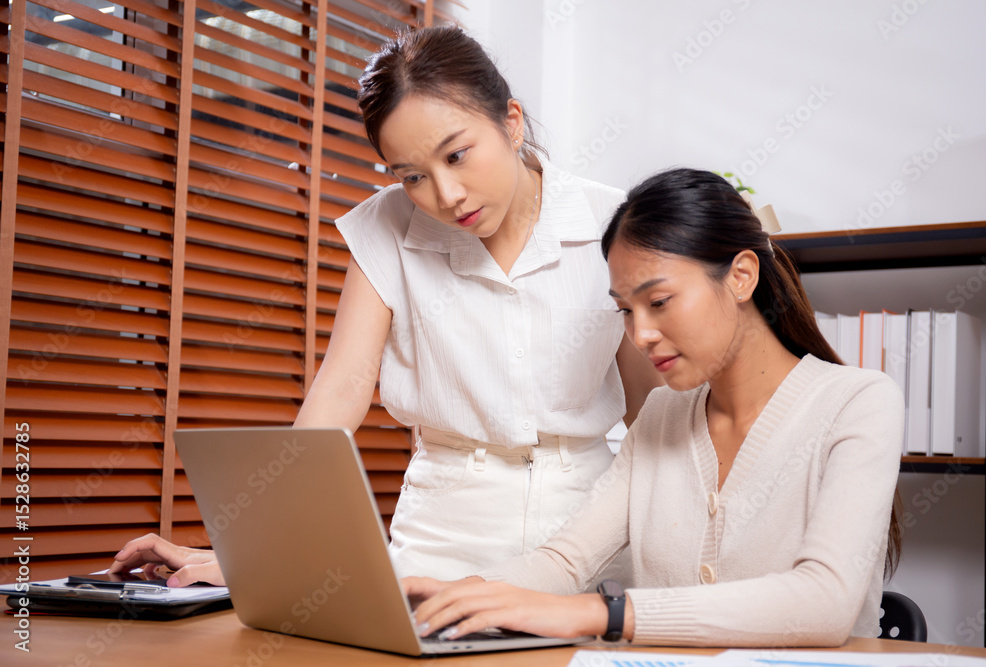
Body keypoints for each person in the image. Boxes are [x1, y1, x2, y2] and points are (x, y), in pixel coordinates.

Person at [109, 25, 661, 587]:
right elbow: (341, 391)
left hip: (588, 529)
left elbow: (650, 409)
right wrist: (258, 550)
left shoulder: (612, 222)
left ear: (511, 122)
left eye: (458, 155)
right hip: (442, 538)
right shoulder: (385, 224)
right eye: (413, 176)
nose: (446, 196)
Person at [402, 168, 904, 647]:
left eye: (658, 301)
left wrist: (604, 615)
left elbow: (825, 601)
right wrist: (455, 597)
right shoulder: (662, 415)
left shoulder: (858, 402)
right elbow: (565, 561)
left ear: (741, 276)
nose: (639, 335)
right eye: (625, 309)